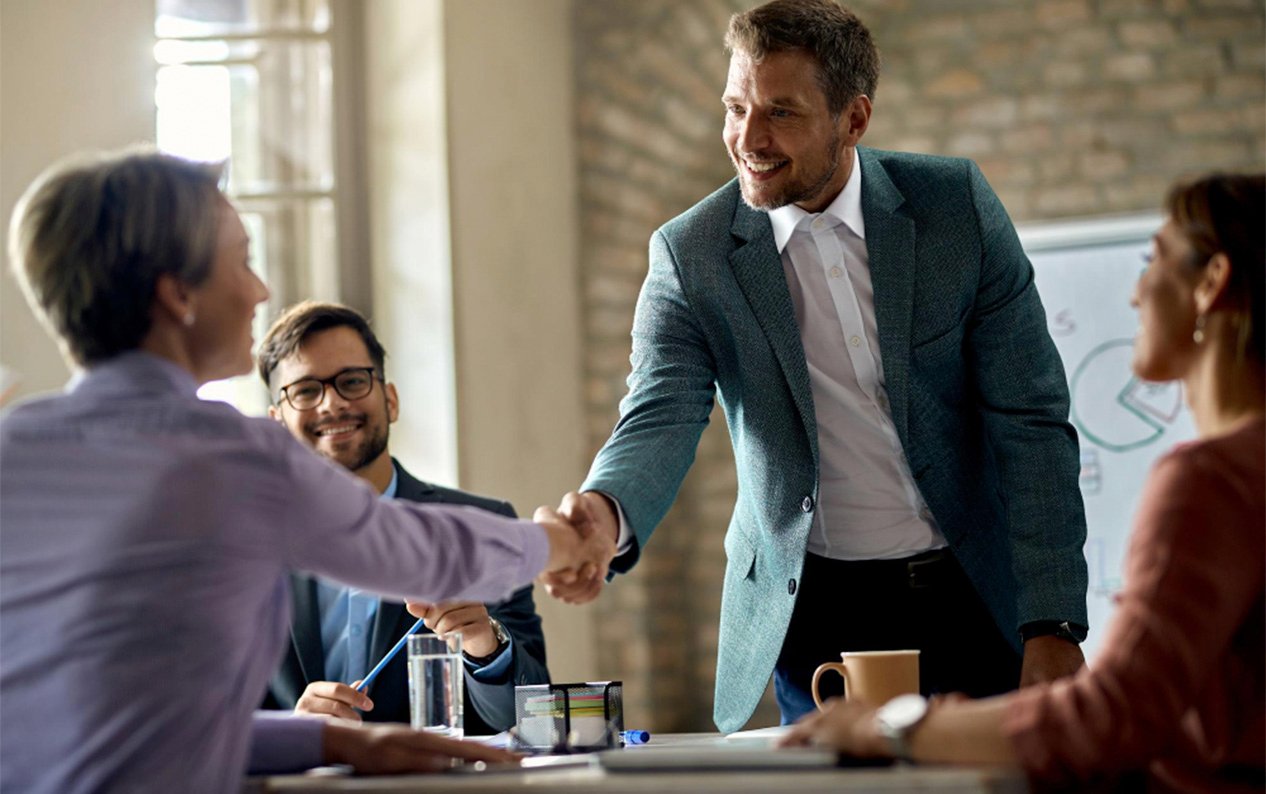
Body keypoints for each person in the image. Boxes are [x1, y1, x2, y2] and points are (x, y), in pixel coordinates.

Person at [546, 0, 1089, 732]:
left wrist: (1052, 621)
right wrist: (603, 516)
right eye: (735, 107)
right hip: (815, 614)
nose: (747, 137)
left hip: (973, 589)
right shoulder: (691, 253)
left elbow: (1030, 419)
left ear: (854, 120)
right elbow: (661, 410)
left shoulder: (954, 207)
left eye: (781, 113)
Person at [0, 148, 603, 793]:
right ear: (178, 295)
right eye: (241, 260)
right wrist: (566, 542)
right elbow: (423, 550)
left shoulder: (12, 447)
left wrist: (334, 740)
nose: (259, 290)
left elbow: (128, 730)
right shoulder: (231, 454)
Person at [782, 173, 1266, 792]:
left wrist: (888, 728)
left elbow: (1111, 717)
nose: (1137, 294)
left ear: (1211, 282)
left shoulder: (1210, 482)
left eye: (1158, 261)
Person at [256, 301, 550, 733]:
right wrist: (291, 733)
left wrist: (484, 645)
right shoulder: (244, 549)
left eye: (352, 381)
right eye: (305, 391)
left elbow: (533, 717)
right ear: (277, 424)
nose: (332, 404)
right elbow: (210, 719)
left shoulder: (485, 525)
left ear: (390, 400)